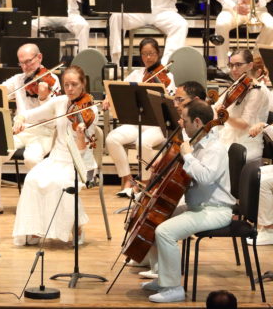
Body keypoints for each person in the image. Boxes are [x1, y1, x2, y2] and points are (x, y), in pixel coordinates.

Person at [140, 100, 233, 303]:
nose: (181, 123)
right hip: (197, 207)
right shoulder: (198, 143)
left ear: (198, 121)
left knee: (164, 231)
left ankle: (173, 288)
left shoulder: (215, 149)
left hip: (215, 210)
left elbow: (205, 177)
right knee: (158, 218)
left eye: (184, 119)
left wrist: (188, 157)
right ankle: (163, 278)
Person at [11, 64, 99, 245]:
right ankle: (35, 229)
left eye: (74, 84)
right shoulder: (59, 102)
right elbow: (30, 114)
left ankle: (77, 228)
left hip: (80, 161)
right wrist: (20, 119)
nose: (70, 89)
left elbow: (82, 150)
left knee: (61, 183)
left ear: (83, 84)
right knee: (32, 179)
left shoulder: (91, 110)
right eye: (66, 85)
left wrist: (81, 135)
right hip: (56, 158)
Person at [105, 37, 176, 198]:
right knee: (112, 138)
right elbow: (119, 91)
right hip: (137, 122)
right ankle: (128, 179)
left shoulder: (168, 77)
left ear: (158, 54)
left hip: (158, 124)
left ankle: (147, 183)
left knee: (142, 143)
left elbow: (171, 102)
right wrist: (108, 99)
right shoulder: (136, 74)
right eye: (144, 54)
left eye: (151, 53)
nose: (148, 58)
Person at [0, 43, 61, 213]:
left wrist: (43, 97)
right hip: (20, 130)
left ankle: (38, 201)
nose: (25, 67)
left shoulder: (52, 80)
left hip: (44, 132)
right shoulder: (18, 79)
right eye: (21, 63)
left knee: (31, 158)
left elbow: (52, 111)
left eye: (29, 62)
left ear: (39, 58)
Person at [212, 49, 269, 161]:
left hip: (245, 145)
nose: (234, 69)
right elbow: (216, 107)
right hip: (227, 137)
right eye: (231, 65)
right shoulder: (236, 84)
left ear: (250, 65)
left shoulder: (257, 90)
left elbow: (244, 124)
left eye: (238, 65)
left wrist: (225, 116)